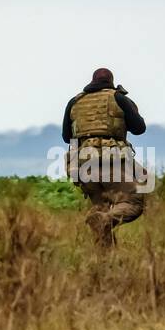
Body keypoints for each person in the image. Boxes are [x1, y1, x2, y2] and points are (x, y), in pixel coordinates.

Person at [61, 68, 149, 246]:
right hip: (110, 162)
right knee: (133, 202)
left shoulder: (75, 101)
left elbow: (66, 137)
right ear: (111, 81)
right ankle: (103, 220)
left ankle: (106, 263)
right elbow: (139, 128)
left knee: (100, 210)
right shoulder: (117, 97)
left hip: (83, 165)